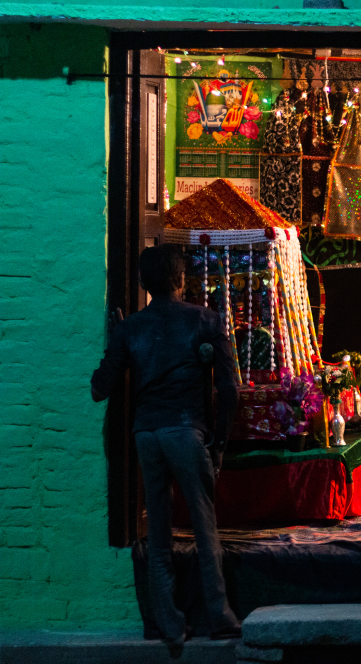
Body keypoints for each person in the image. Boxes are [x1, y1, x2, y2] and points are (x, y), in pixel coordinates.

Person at [91, 244, 241, 654]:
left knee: (157, 533)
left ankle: (168, 623)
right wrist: (220, 442)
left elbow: (99, 389)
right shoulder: (206, 321)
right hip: (185, 431)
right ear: (181, 281)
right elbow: (229, 389)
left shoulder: (131, 328)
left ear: (144, 284)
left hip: (146, 435)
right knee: (204, 527)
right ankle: (220, 618)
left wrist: (117, 337)